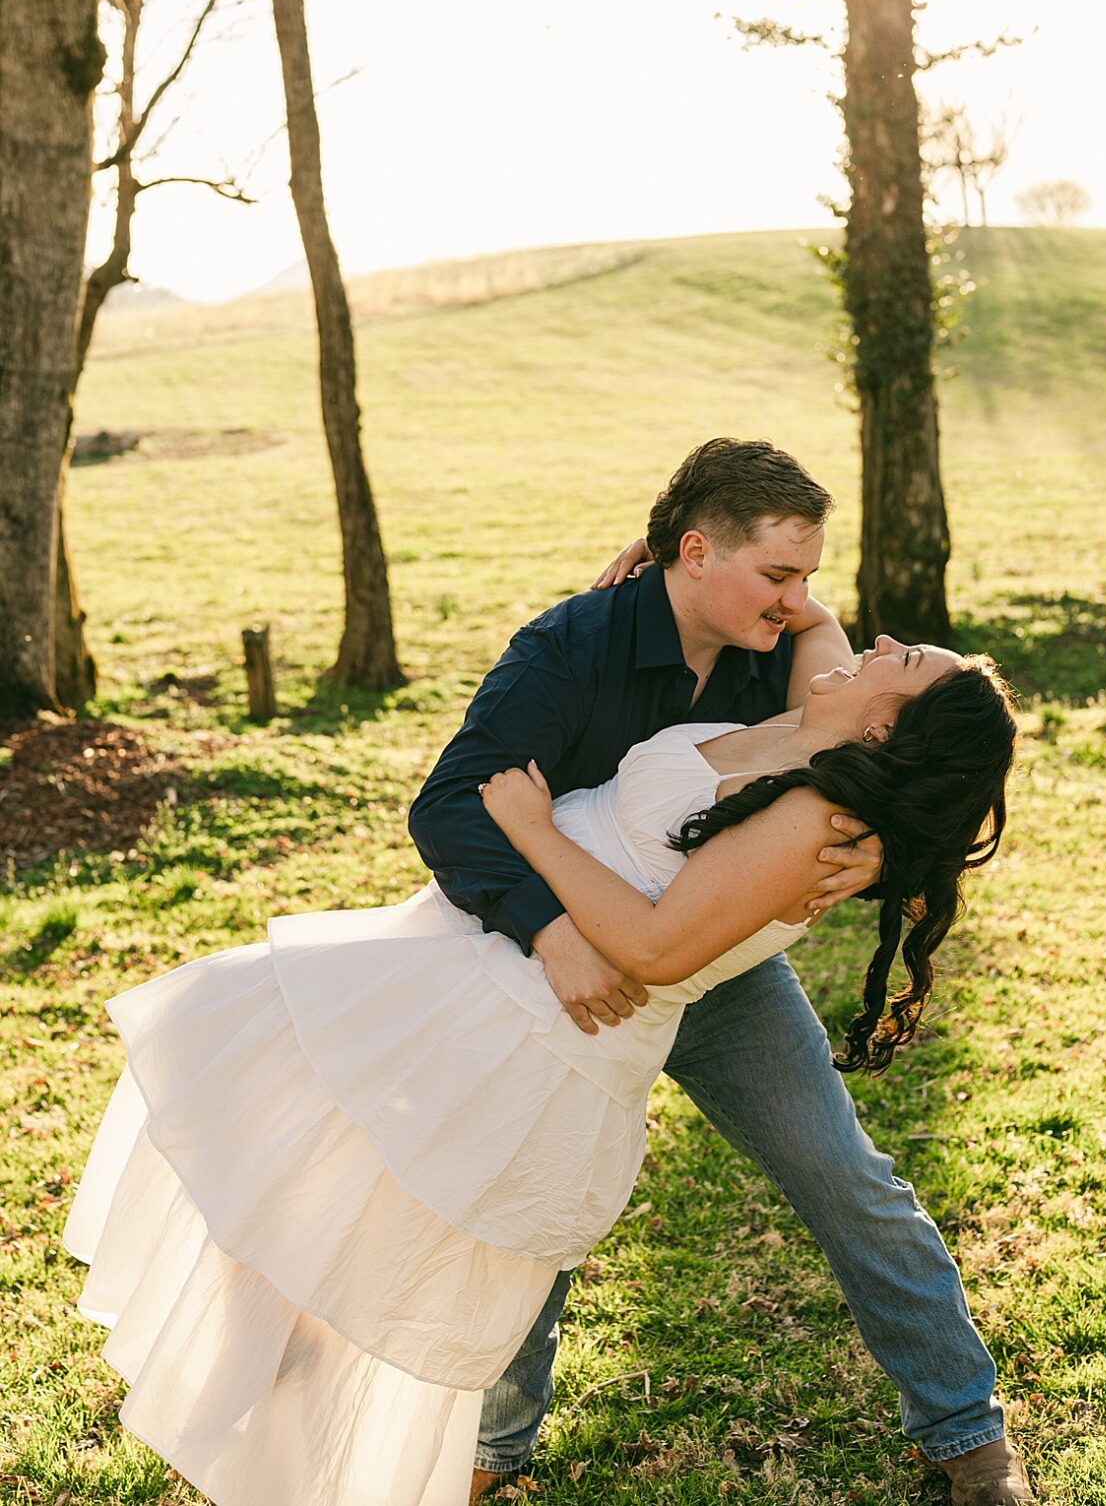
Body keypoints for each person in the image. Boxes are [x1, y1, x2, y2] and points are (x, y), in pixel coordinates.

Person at [63, 439, 1031, 1506]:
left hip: (706, 966)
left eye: (805, 576)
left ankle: (968, 1432)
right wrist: (551, 934)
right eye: (778, 574)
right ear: (696, 554)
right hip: (549, 961)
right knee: (510, 1202)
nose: (801, 599)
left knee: (842, 1176)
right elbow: (450, 807)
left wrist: (883, 840)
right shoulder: (576, 643)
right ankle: (490, 1447)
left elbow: (885, 729)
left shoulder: (785, 643)